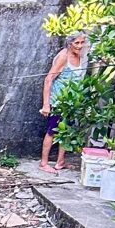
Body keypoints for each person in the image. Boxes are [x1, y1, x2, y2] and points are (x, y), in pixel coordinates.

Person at [39, 33, 89, 171]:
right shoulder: (63, 57)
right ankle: (44, 163)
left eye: (82, 42)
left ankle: (60, 161)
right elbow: (48, 80)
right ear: (70, 43)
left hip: (71, 103)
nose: (79, 46)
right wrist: (46, 104)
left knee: (67, 131)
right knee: (52, 131)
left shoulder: (81, 56)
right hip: (58, 101)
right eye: (76, 43)